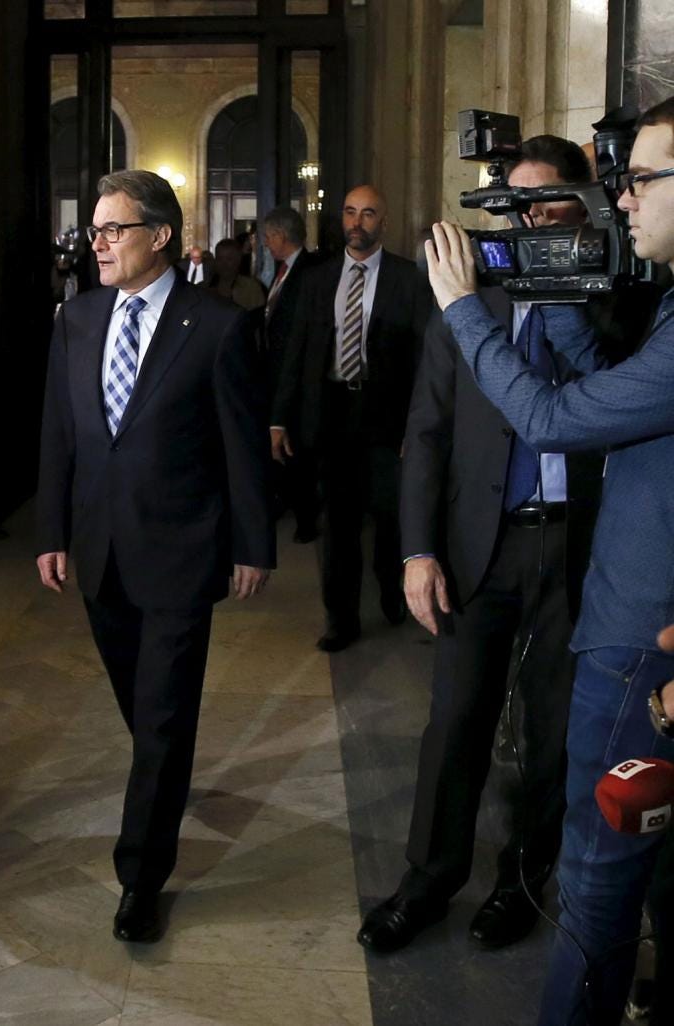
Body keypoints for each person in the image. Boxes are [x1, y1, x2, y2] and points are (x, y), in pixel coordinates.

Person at [421, 94, 674, 1026]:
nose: (626, 200)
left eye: (641, 179)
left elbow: (560, 417)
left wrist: (462, 308)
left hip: (637, 634)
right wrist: (546, 286)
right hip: (596, 598)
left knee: (596, 880)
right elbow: (597, 385)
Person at [358, 136, 606, 955]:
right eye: (516, 203)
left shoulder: (615, 303)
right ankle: (427, 881)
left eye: (550, 200)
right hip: (478, 548)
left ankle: (520, 882)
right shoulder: (467, 300)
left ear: (587, 202)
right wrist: (416, 550)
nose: (532, 217)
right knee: (455, 720)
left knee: (552, 732)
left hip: (578, 551)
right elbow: (424, 434)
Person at [35, 169, 274, 943]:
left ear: (160, 236)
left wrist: (252, 542)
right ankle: (164, 779)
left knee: (164, 717)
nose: (96, 244)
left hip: (181, 549)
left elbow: (242, 445)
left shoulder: (215, 326)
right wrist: (50, 530)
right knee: (144, 711)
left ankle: (141, 877)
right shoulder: (75, 320)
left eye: (113, 230)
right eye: (93, 232)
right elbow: (60, 436)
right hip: (100, 551)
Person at [271, 185, 433, 651]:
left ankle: (391, 591)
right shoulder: (318, 279)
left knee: (390, 518)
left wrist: (417, 427)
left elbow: (425, 358)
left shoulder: (407, 279)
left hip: (387, 416)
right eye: (349, 213)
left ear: (383, 222)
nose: (356, 222)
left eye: (367, 214)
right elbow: (296, 352)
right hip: (333, 413)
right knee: (338, 525)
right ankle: (341, 620)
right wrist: (279, 418)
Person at [261, 206, 324, 544]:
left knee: (297, 448)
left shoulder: (310, 270)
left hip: (299, 378)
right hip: (278, 374)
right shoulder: (283, 269)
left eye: (268, 236)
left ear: (281, 236)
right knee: (283, 445)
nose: (265, 243)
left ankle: (306, 517)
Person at [211, 237, 266, 311]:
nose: (224, 264)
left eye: (229, 259)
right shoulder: (204, 288)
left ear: (238, 259)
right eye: (220, 258)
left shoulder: (252, 288)